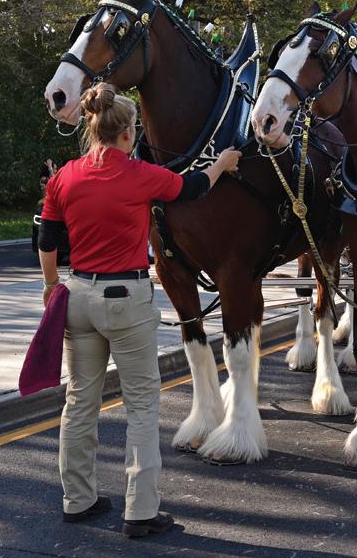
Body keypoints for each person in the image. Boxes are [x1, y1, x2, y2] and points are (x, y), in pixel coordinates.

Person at [38, 82, 241, 538]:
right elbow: (192, 187)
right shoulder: (140, 175)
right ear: (128, 133)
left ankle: (77, 499)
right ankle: (141, 511)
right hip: (126, 300)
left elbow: (47, 239)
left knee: (80, 402)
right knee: (142, 406)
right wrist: (223, 164)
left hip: (78, 296)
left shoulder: (65, 177)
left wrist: (51, 286)